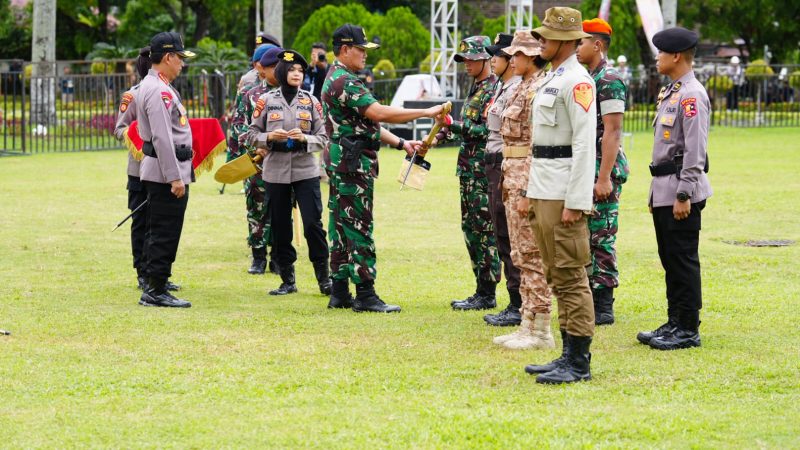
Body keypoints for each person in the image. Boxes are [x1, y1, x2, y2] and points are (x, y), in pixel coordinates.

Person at [322, 23, 444, 313]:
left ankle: (340, 291)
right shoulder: (346, 80)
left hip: (343, 158)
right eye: (361, 49)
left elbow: (366, 124)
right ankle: (365, 294)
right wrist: (426, 111)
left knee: (340, 225)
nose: (365, 55)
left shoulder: (337, 76)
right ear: (345, 49)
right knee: (359, 225)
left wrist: (403, 144)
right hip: (353, 162)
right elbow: (378, 112)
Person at [521, 7, 596, 384]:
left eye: (546, 37)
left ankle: (579, 362)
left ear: (565, 41)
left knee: (570, 275)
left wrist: (577, 201)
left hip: (563, 191)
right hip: (544, 188)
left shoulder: (578, 82)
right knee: (555, 273)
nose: (540, 42)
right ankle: (567, 354)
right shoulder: (554, 77)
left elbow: (584, 145)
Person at [637, 27, 712, 351]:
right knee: (670, 258)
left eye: (661, 53)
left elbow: (695, 153)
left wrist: (683, 194)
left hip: (681, 190)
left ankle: (688, 328)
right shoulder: (673, 92)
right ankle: (674, 321)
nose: (657, 58)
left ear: (676, 56)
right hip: (665, 187)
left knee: (682, 259)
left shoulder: (692, 95)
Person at [244, 50, 331, 297]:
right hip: (275, 172)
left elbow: (324, 138)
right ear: (282, 72)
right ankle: (287, 280)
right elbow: (251, 134)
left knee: (313, 225)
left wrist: (305, 139)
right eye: (292, 70)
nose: (296, 74)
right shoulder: (266, 101)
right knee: (281, 227)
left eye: (300, 71)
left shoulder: (311, 102)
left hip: (305, 171)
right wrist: (268, 137)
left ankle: (324, 279)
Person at [493, 30, 555, 350]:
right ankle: (526, 323)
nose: (511, 60)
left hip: (526, 180)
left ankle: (541, 329)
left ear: (530, 57)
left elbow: (537, 144)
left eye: (516, 55)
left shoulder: (539, 89)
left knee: (531, 253)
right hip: (511, 175)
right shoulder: (520, 87)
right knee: (519, 253)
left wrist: (529, 189)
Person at [113, 47, 182, 294]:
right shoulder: (133, 95)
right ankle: (142, 272)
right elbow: (119, 128)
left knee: (159, 222)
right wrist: (138, 135)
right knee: (142, 222)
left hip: (161, 169)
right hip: (139, 167)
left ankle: (158, 274)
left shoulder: (169, 91)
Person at [135, 32, 196, 308]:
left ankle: (154, 282)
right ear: (168, 57)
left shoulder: (157, 85)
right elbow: (161, 137)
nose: (182, 64)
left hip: (160, 169)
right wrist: (175, 177)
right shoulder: (159, 90)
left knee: (158, 229)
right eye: (180, 58)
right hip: (164, 172)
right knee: (164, 230)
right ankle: (156, 289)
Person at [577, 18, 630, 325]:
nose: (576, 47)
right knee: (587, 235)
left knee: (602, 235)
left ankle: (604, 303)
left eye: (581, 42)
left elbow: (613, 131)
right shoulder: (589, 76)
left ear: (597, 45)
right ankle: (592, 297)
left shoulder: (608, 79)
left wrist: (604, 177)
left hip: (602, 169)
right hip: (589, 168)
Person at [447, 36, 501, 312]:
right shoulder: (477, 89)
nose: (467, 63)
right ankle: (480, 289)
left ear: (486, 60)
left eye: (472, 59)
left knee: (484, 230)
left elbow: (489, 131)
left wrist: (455, 126)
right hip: (468, 171)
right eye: (464, 59)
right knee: (470, 229)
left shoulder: (493, 89)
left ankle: (488, 292)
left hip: (482, 172)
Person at [480, 33, 523, 327]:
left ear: (511, 60)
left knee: (510, 233)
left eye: (497, 55)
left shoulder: (516, 88)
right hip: (494, 161)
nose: (492, 59)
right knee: (502, 234)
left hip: (506, 163)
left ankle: (518, 303)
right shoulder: (502, 87)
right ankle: (515, 301)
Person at [231, 45, 282, 275]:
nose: (278, 70)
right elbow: (239, 128)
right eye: (273, 66)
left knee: (281, 209)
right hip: (256, 163)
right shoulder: (249, 94)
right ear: (261, 69)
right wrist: (259, 147)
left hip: (284, 163)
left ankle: (280, 257)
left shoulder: (293, 94)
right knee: (256, 209)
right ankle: (258, 256)